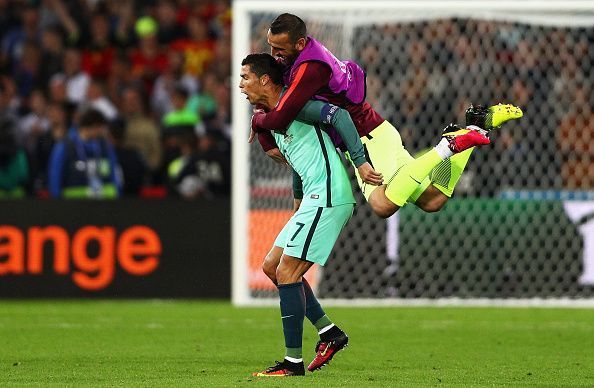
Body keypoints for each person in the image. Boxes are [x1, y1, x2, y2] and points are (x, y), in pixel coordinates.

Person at [240, 54, 487, 376]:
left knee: (288, 271)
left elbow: (339, 115)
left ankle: (292, 363)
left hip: (328, 193)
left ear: (264, 80)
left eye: (245, 77)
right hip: (313, 196)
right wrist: (298, 199)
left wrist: (360, 161)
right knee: (272, 267)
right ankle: (329, 333)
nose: (240, 85)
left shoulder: (295, 107)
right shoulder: (272, 118)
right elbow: (298, 161)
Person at [250, 13, 523, 218]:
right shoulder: (301, 58)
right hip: (376, 131)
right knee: (433, 200)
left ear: (299, 43)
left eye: (279, 49)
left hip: (367, 137)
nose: (274, 55)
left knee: (382, 205)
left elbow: (282, 116)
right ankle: (472, 128)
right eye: (271, 47)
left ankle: (447, 146)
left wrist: (257, 122)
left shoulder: (310, 68)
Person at [47, 108, 121, 199]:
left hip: (103, 205)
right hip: (73, 206)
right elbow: (55, 177)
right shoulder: (64, 147)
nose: (102, 132)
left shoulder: (106, 147)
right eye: (100, 128)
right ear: (93, 127)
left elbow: (114, 174)